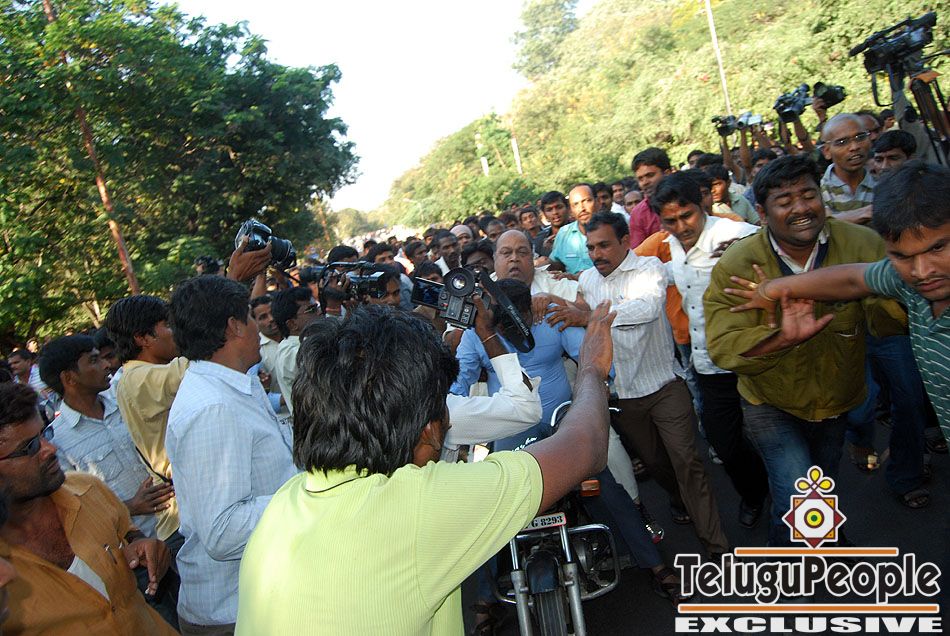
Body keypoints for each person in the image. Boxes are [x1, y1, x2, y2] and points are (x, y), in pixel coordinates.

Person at [235, 301, 616, 634]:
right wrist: (591, 369)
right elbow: (586, 445)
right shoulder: (422, 503)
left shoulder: (283, 504)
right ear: (431, 430)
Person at [704, 155, 909, 544]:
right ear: (762, 213)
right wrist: (782, 338)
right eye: (785, 201)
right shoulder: (738, 263)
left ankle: (814, 537)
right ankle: (799, 557)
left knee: (820, 480)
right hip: (768, 401)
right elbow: (722, 346)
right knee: (797, 490)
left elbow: (890, 324)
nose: (801, 208)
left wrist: (875, 294)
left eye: (808, 195)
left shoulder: (863, 244)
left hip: (836, 397)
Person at [722, 160, 949, 446]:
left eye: (937, 248)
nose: (922, 272)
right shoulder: (901, 279)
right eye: (901, 256)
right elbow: (851, 278)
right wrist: (772, 289)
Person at [576, 212, 729, 556]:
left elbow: (646, 308)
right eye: (591, 247)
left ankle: (716, 545)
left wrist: (591, 318)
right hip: (625, 398)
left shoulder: (649, 269)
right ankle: (678, 498)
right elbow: (574, 305)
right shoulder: (587, 279)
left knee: (687, 460)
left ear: (625, 241)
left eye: (604, 245)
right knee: (657, 464)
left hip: (665, 386)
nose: (597, 254)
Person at [166, 275, 297, 634]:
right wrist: (306, 495)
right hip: (233, 611)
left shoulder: (236, 382)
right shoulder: (212, 407)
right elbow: (223, 532)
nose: (258, 327)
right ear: (234, 326)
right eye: (251, 317)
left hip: (260, 597)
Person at [0, 382, 176, 635]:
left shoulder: (88, 489)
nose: (50, 449)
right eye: (30, 447)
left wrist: (141, 545)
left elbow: (128, 533)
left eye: (45, 434)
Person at [650, 174, 769, 528]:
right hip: (709, 363)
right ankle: (755, 492)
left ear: (701, 204)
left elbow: (774, 244)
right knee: (724, 442)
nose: (681, 227)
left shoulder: (736, 235)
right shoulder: (671, 246)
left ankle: (787, 505)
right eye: (670, 221)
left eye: (686, 215)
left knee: (775, 440)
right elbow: (654, 272)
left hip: (754, 358)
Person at [39, 335, 180, 625]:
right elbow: (73, 512)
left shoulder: (124, 402)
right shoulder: (58, 443)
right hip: (135, 560)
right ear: (69, 378)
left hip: (177, 528)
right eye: (93, 360)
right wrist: (129, 507)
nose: (106, 364)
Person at [106, 295, 185, 549]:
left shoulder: (144, 374)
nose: (175, 332)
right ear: (143, 338)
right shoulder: (136, 378)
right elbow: (194, 365)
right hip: (182, 518)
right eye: (168, 325)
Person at [271, 286, 322, 416]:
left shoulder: (305, 342)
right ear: (292, 324)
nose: (319, 312)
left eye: (316, 307)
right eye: (311, 310)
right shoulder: (288, 352)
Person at [819, 113, 875, 223]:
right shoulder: (817, 189)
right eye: (842, 142)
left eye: (860, 137)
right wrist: (865, 213)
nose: (854, 147)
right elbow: (818, 224)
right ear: (827, 151)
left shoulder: (882, 180)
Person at [549, 184, 598, 274]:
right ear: (570, 210)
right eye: (575, 204)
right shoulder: (564, 233)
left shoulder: (611, 229)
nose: (582, 208)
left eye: (587, 201)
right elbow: (557, 264)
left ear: (597, 202)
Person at [628, 148, 671, 248]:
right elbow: (639, 253)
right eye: (640, 179)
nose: (645, 182)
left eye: (650, 175)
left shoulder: (688, 199)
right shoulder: (638, 214)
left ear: (667, 173)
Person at [534, 190, 572, 260]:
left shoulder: (581, 232)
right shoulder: (540, 239)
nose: (555, 212)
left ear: (568, 208)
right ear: (544, 214)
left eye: (559, 207)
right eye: (549, 210)